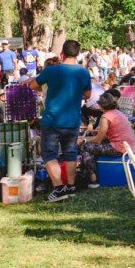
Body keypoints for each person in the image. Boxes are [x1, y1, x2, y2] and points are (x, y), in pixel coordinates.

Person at [28, 39, 92, 202]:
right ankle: (70, 186)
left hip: (53, 119)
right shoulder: (83, 72)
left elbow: (33, 86)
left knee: (49, 154)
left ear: (62, 53)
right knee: (70, 153)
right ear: (78, 53)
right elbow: (88, 95)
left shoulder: (51, 71)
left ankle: (58, 188)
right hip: (72, 119)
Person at [78, 92, 135, 187]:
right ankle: (94, 173)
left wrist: (84, 140)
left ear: (101, 105)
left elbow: (98, 140)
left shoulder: (105, 117)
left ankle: (93, 180)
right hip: (130, 146)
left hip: (119, 148)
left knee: (86, 147)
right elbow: (108, 134)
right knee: (93, 146)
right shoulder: (118, 113)